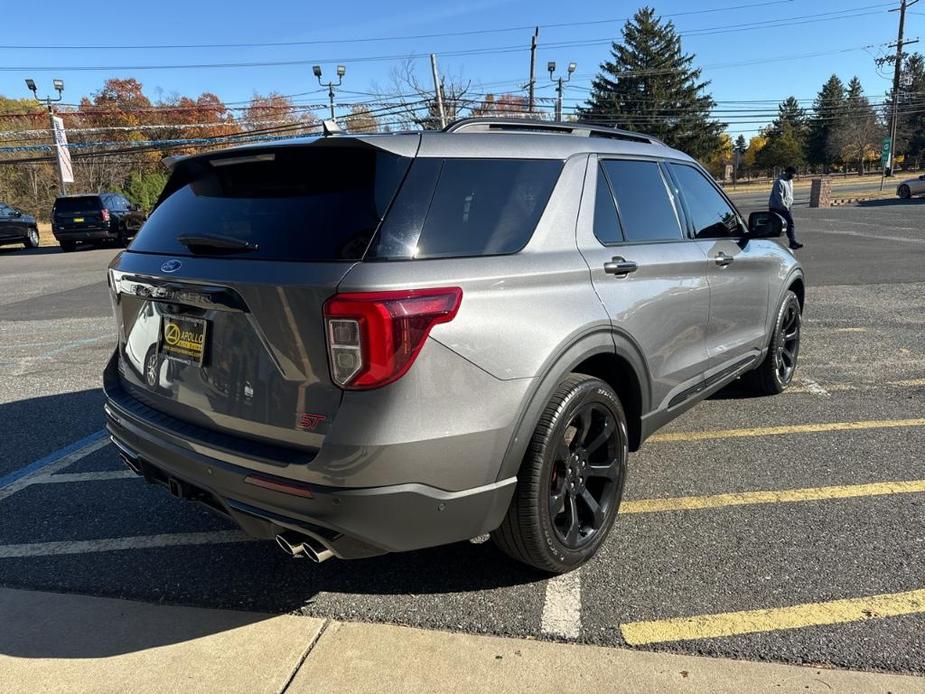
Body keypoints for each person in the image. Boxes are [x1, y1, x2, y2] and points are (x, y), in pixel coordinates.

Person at [768, 166, 803, 250]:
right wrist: (783, 206)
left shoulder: (790, 181)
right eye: (793, 174)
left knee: (790, 223)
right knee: (774, 226)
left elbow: (789, 194)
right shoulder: (779, 182)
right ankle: (769, 244)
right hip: (777, 207)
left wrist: (790, 203)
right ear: (787, 173)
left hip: (787, 206)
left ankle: (792, 242)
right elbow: (778, 196)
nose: (794, 176)